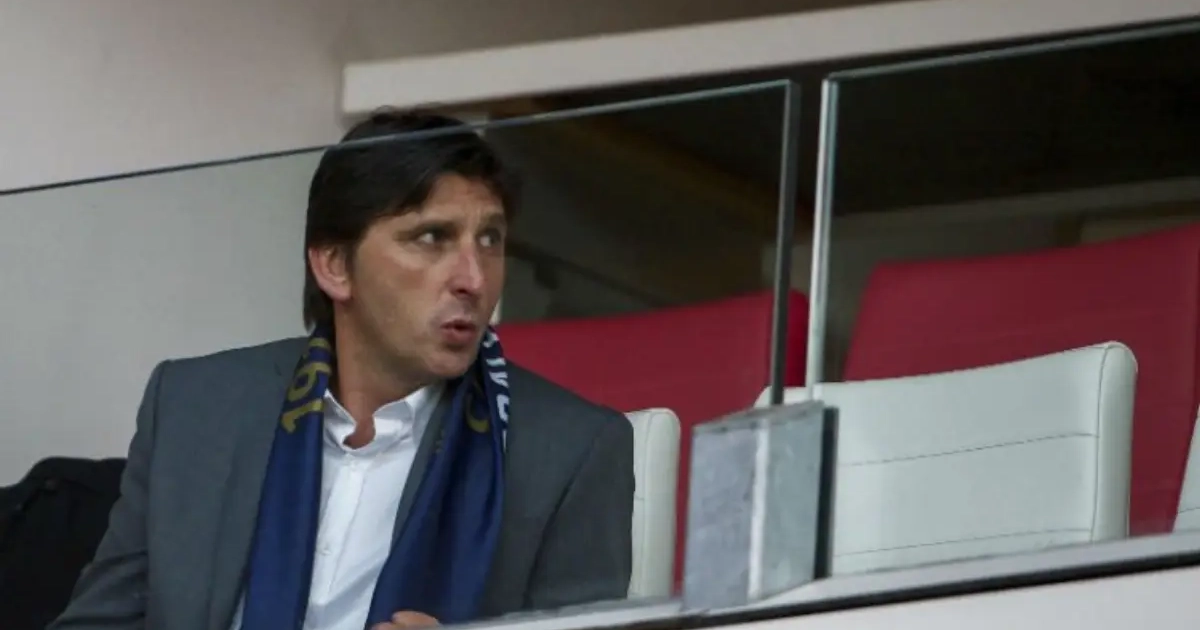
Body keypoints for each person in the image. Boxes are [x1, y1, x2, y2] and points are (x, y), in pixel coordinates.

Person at [50, 111, 635, 630]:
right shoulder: (195, 406)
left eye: (490, 240)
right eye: (432, 237)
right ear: (334, 265)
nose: (474, 279)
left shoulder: (570, 450)